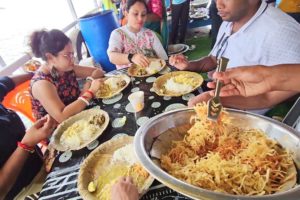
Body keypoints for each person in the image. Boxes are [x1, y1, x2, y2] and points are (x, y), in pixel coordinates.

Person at [170, 0, 300, 113]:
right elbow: (216, 59)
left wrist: (218, 99)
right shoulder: (231, 19)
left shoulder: (281, 30)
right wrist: (190, 65)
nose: (218, 4)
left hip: (246, 118)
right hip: (215, 95)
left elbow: (269, 98)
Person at [29, 29, 105, 123]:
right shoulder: (42, 84)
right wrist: (90, 90)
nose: (73, 59)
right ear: (50, 57)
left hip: (80, 113)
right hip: (59, 129)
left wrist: (89, 82)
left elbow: (98, 72)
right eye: (67, 55)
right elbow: (62, 117)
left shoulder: (65, 68)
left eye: (73, 54)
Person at [0, 74, 56, 199]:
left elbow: (8, 81)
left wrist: (37, 74)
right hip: (23, 191)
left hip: (39, 164)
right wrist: (26, 144)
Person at [107, 0, 168, 69]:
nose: (140, 19)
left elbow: (164, 58)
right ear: (126, 13)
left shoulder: (150, 35)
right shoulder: (118, 34)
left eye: (143, 14)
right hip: (127, 78)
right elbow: (112, 57)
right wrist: (132, 57)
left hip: (151, 76)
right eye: (135, 14)